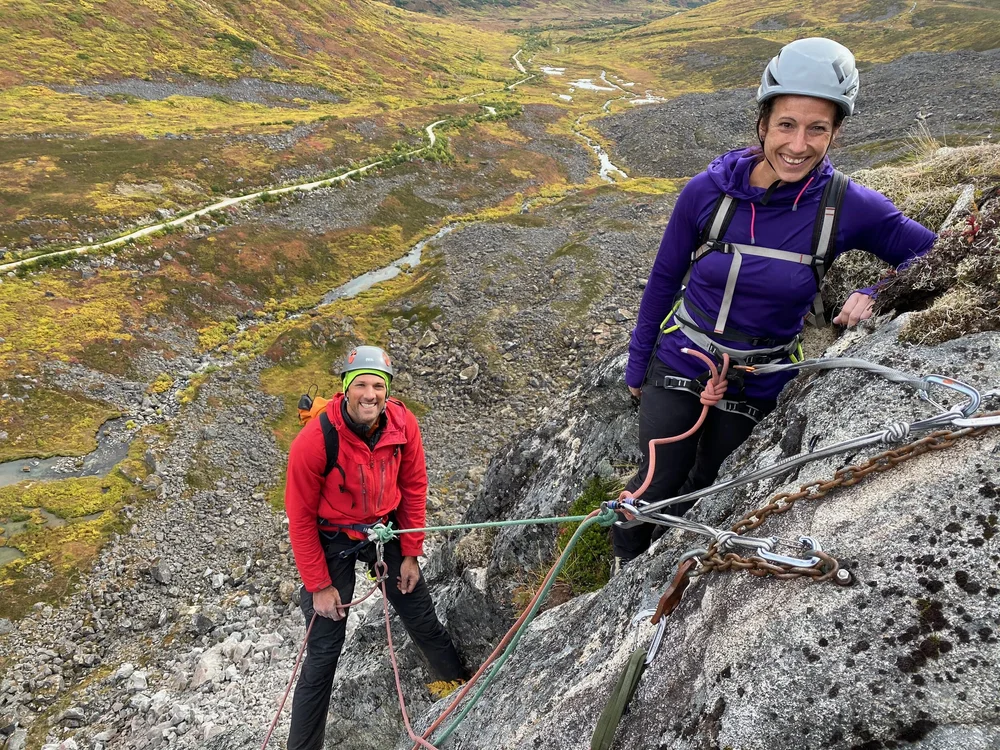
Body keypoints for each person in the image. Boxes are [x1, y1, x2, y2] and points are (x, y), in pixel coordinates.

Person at [613, 37, 936, 565]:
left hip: (763, 376)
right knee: (657, 483)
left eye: (818, 129)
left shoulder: (847, 206)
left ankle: (671, 567)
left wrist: (877, 290)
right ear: (762, 124)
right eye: (786, 124)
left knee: (713, 484)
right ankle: (623, 572)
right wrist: (636, 363)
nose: (798, 144)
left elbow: (930, 253)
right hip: (682, 357)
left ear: (836, 132)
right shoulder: (707, 193)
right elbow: (663, 280)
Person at [284, 345, 464, 750]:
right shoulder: (315, 441)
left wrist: (412, 552)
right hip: (334, 538)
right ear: (345, 390)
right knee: (324, 652)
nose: (370, 394)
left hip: (385, 531)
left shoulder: (403, 424)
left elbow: (414, 486)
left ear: (387, 390)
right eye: (361, 384)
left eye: (378, 385)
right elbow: (300, 517)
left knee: (420, 614)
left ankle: (458, 686)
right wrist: (318, 586)